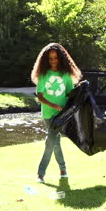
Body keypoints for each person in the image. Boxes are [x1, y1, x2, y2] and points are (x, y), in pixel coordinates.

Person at [31, 43, 81, 183]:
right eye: (50, 58)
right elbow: (40, 96)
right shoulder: (44, 74)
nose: (53, 61)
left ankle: (42, 173)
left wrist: (81, 90)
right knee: (54, 142)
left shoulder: (65, 75)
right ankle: (62, 170)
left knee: (51, 141)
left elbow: (70, 93)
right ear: (46, 60)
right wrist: (52, 104)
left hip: (62, 114)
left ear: (61, 59)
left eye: (56, 58)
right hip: (48, 113)